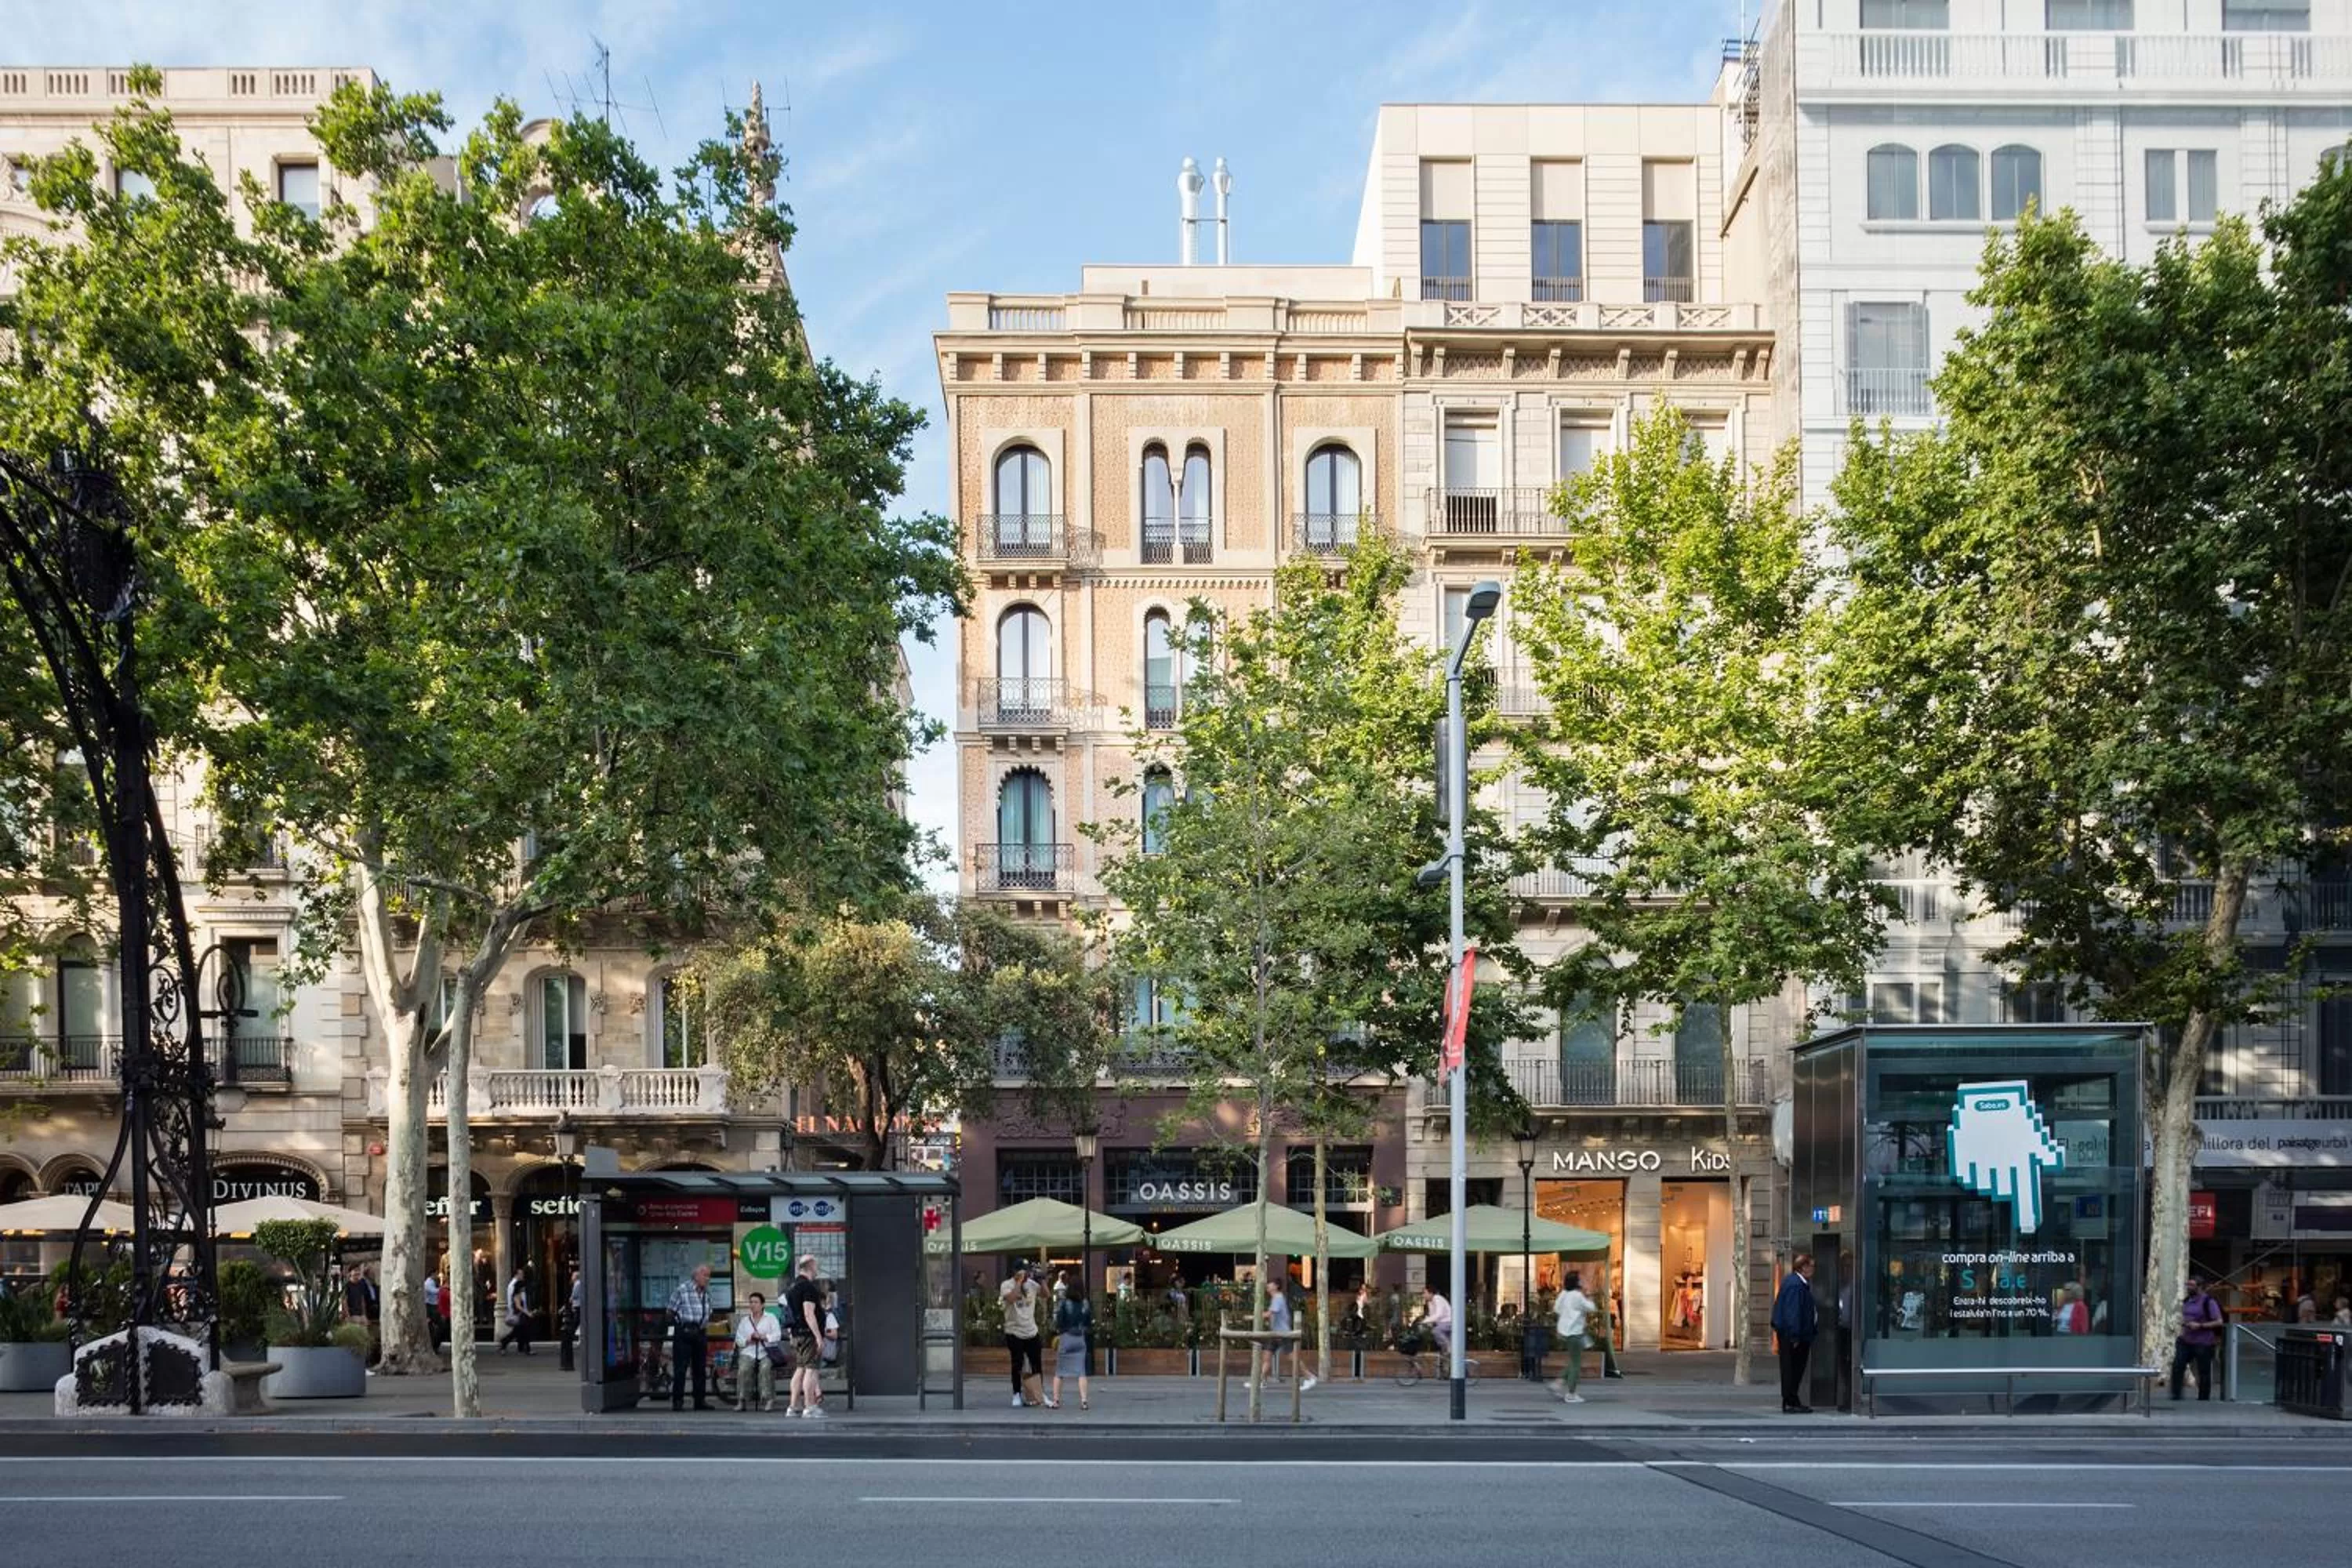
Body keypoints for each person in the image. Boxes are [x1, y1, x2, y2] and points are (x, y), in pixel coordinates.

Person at [1771, 1253, 1818, 1414]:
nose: (1813, 1269)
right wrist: (1795, 1336)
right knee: (1793, 1368)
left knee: (1793, 1369)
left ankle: (1792, 1399)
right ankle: (1791, 1401)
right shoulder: (1796, 1285)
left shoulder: (1794, 1282)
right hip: (1794, 1336)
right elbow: (1793, 1312)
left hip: (1794, 1334)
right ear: (1804, 1267)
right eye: (1812, 1266)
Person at [784, 1254, 829, 1418]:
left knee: (800, 1369)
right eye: (816, 1266)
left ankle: (793, 1407)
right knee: (810, 1370)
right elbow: (809, 1313)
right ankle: (810, 1407)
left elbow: (789, 1313)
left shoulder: (792, 1287)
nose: (817, 1270)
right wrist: (818, 1336)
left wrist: (791, 1334)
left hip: (796, 1334)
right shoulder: (808, 1287)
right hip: (808, 1335)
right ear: (810, 1266)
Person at [667, 1262, 714, 1411]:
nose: (707, 1279)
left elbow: (709, 1311)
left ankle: (699, 1400)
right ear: (696, 1275)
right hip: (685, 1332)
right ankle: (678, 1400)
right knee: (681, 1368)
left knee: (700, 1368)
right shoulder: (683, 1290)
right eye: (705, 1275)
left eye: (709, 1276)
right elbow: (670, 1311)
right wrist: (680, 1326)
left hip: (700, 1333)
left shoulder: (706, 1293)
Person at [2172, 1272, 2224, 1401]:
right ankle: (2176, 1395)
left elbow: (2219, 1321)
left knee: (2204, 1371)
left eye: (2191, 1285)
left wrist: (2200, 1325)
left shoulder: (2208, 1302)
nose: (2188, 1287)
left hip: (2203, 1342)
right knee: (2178, 1365)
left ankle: (2203, 1398)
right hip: (2186, 1339)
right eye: (2187, 1285)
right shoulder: (2187, 1301)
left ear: (2200, 1287)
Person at [1001, 1260, 1044, 1407]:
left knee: (1036, 1364)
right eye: (1023, 1271)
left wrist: (1042, 1281)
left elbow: (1046, 1295)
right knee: (1017, 1364)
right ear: (1015, 1271)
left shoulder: (1031, 1284)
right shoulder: (1007, 1285)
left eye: (1027, 1271)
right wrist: (1019, 1281)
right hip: (1014, 1331)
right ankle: (1016, 1394)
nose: (1026, 1274)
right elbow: (1012, 1298)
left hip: (1031, 1331)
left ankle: (1039, 1393)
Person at [1555, 1270, 1597, 1406]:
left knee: (1574, 1360)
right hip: (1575, 1332)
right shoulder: (1578, 1296)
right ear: (1577, 1282)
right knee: (1576, 1363)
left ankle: (1559, 1382)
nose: (1583, 1281)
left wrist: (1567, 1314)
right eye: (1581, 1279)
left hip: (1565, 1331)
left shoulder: (1564, 1294)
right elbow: (1591, 1308)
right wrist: (1589, 1294)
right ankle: (1571, 1393)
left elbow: (1557, 1309)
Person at [734, 1290, 780, 1412]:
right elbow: (739, 1339)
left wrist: (764, 1337)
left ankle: (768, 1399)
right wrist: (748, 1340)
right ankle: (742, 1400)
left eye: (756, 1302)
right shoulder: (745, 1320)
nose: (753, 1305)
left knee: (765, 1368)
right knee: (744, 1369)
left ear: (762, 1304)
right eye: (751, 1302)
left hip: (766, 1352)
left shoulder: (771, 1318)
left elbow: (777, 1335)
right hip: (748, 1351)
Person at [1052, 1283, 1092, 1411]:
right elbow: (1088, 1322)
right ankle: (1084, 1401)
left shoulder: (1064, 1304)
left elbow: (1059, 1321)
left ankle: (1056, 1401)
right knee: (1081, 1372)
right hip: (1080, 1338)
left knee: (1060, 1372)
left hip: (1066, 1337)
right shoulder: (1085, 1304)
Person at [498, 1269, 535, 1356]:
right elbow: (516, 1304)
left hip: (521, 1313)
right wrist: (527, 1312)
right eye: (521, 1274)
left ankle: (521, 1347)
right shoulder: (514, 1286)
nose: (523, 1276)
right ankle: (524, 1348)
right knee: (521, 1331)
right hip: (519, 1313)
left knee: (519, 1332)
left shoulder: (517, 1287)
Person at [1421, 1282, 1454, 1364]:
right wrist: (1427, 1322)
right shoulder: (1430, 1302)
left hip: (1449, 1322)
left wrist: (1425, 1321)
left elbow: (1438, 1315)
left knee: (1436, 1331)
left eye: (1425, 1293)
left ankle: (1449, 1347)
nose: (1423, 1295)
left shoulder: (1437, 1298)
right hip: (1442, 1324)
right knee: (1445, 1352)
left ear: (1431, 1293)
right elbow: (1433, 1317)